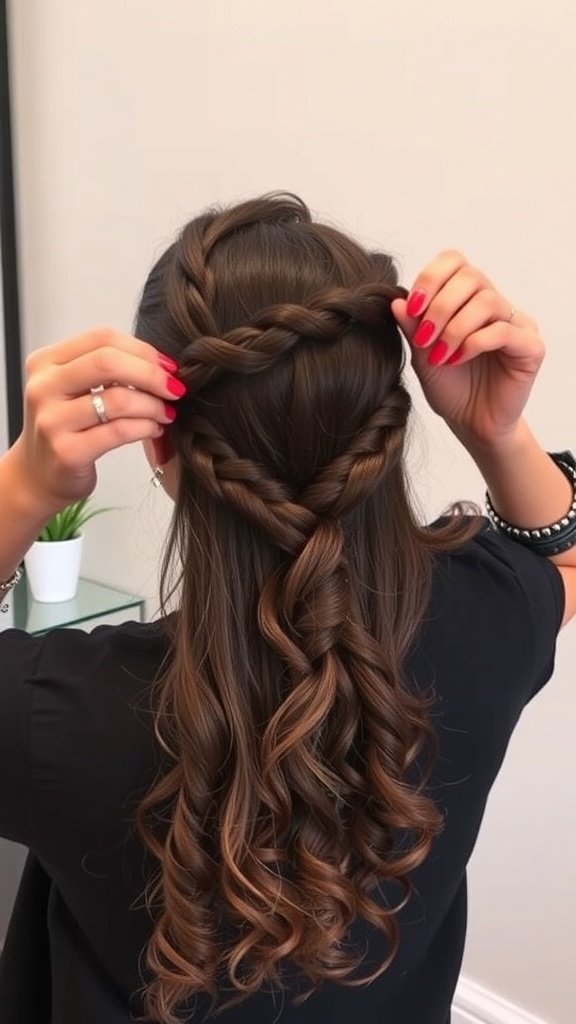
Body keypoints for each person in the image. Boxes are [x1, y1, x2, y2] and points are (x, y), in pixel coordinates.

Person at [0, 193, 574, 1024]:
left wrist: (23, 485)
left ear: (160, 442)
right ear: (387, 418)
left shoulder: (57, 718)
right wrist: (498, 432)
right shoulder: (482, 620)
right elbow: (561, 550)